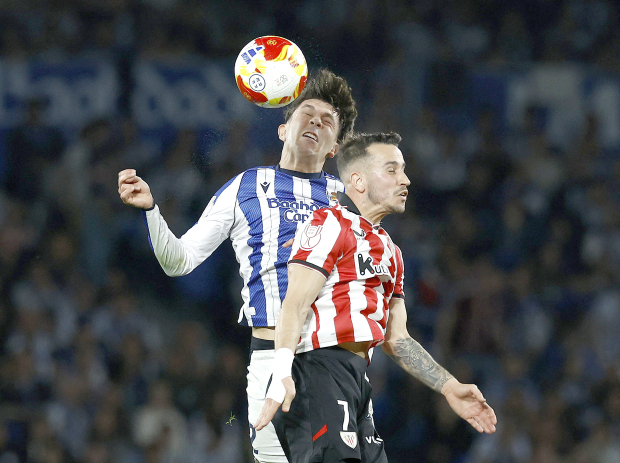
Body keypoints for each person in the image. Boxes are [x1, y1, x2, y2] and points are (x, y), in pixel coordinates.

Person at [117, 68, 358, 463]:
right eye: (307, 113)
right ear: (283, 129)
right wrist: (151, 210)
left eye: (327, 121)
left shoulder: (346, 200)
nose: (316, 122)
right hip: (267, 358)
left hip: (329, 360)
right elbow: (180, 261)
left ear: (334, 148)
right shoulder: (245, 186)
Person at [255, 132, 497, 462]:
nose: (405, 180)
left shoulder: (392, 252)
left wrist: (449, 386)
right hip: (316, 370)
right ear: (358, 180)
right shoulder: (329, 223)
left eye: (404, 170)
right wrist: (282, 370)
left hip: (356, 379)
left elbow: (397, 339)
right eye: (392, 170)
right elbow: (294, 303)